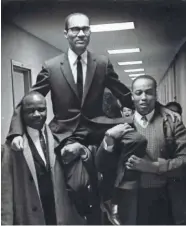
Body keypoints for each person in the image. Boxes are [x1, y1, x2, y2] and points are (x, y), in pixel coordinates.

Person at [6, 12, 179, 223]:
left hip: (97, 125)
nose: (81, 33)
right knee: (78, 185)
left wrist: (160, 109)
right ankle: (90, 211)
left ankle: (111, 194)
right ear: (66, 34)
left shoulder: (101, 63)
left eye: (85, 29)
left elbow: (123, 93)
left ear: (90, 32)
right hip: (66, 130)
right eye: (75, 29)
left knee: (137, 140)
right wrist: (16, 131)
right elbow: (28, 100)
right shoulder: (51, 67)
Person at [1, 91, 85, 225]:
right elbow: (5, 193)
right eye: (30, 111)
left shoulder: (58, 137)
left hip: (59, 215)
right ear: (22, 113)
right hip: (29, 217)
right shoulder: (11, 147)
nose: (37, 114)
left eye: (41, 109)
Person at [123, 75, 186, 224]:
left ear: (156, 95)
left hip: (166, 197)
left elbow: (184, 159)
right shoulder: (121, 126)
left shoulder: (172, 122)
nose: (144, 97)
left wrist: (152, 167)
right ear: (132, 96)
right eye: (138, 93)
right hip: (132, 199)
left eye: (149, 92)